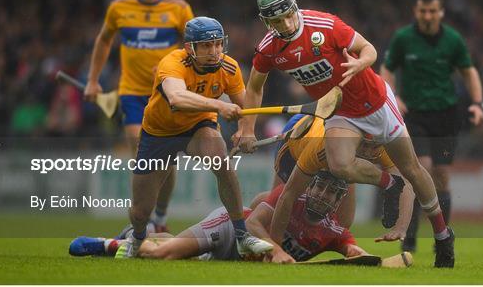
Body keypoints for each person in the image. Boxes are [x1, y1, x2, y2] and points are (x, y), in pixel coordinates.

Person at [234, 0, 455, 267]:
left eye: (288, 14)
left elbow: (369, 49)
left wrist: (360, 63)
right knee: (340, 166)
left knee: (412, 167)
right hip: (338, 109)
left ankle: (443, 236)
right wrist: (248, 129)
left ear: (294, 5)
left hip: (374, 102)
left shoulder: (323, 25)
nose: (286, 23)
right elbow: (254, 88)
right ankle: (391, 183)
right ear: (266, 21)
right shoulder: (268, 48)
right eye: (277, 20)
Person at [114, 16, 272, 258]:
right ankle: (136, 238)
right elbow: (177, 98)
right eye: (207, 46)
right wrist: (219, 105)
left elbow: (246, 107)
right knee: (140, 211)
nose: (215, 51)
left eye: (218, 44)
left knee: (221, 163)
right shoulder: (172, 63)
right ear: (190, 48)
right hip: (158, 133)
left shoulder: (229, 68)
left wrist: (245, 130)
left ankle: (242, 235)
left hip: (199, 126)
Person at [84, 0, 194, 231]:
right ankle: (143, 220)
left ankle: (160, 216)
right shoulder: (119, 8)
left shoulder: (179, 9)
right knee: (143, 153)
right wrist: (93, 80)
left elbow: (194, 47)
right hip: (132, 94)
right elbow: (103, 41)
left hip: (167, 94)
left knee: (166, 160)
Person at [380, 0, 483, 252]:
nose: (427, 16)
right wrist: (393, 97)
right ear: (416, 11)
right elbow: (387, 69)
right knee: (421, 168)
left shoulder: (453, 40)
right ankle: (411, 241)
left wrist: (478, 103)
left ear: (441, 13)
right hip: (414, 115)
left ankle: (442, 240)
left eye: (432, 11)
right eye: (423, 11)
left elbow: (468, 71)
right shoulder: (403, 38)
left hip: (446, 116)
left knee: (441, 176)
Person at [69, 171, 366, 263]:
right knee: (167, 255)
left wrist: (361, 256)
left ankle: (139, 234)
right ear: (310, 185)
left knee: (173, 247)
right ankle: (104, 244)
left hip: (235, 260)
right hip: (229, 229)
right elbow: (251, 222)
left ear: (339, 200)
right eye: (320, 186)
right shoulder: (290, 198)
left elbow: (355, 252)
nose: (321, 194)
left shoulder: (334, 232)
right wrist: (276, 250)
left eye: (331, 192)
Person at [255, 114, 415, 249]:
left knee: (343, 223)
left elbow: (406, 182)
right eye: (365, 145)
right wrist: (277, 250)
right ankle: (250, 223)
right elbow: (286, 197)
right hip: (297, 144)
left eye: (374, 147)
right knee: (276, 203)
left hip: (339, 152)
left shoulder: (382, 147)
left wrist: (401, 227)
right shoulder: (322, 146)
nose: (368, 153)